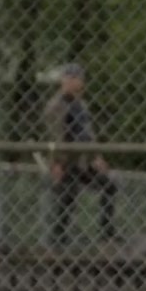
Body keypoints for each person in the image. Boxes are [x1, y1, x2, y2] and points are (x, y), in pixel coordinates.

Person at [43, 62, 118, 246]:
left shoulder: (81, 105)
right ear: (64, 81)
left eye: (78, 78)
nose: (76, 82)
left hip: (84, 159)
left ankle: (107, 231)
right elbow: (55, 136)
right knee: (67, 196)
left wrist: (96, 157)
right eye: (71, 78)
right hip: (67, 159)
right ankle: (58, 238)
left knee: (109, 185)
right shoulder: (56, 106)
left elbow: (88, 133)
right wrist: (57, 163)